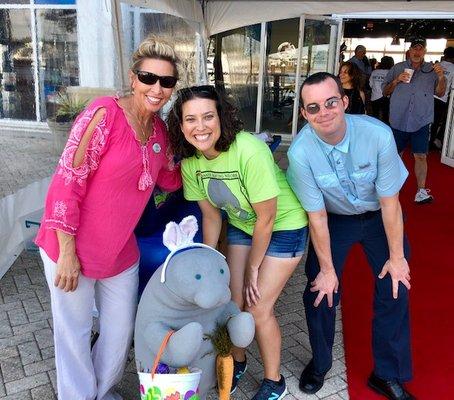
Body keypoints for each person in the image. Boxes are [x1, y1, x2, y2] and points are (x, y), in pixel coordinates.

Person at [34, 36, 181, 400]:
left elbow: (168, 178)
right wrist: (66, 251)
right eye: (149, 77)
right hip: (71, 248)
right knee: (75, 333)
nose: (157, 88)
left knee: (118, 333)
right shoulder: (104, 114)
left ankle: (100, 391)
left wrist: (205, 154)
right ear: (133, 78)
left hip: (120, 253)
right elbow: (67, 182)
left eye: (166, 81)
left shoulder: (160, 130)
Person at [167, 85, 309, 400]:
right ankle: (239, 361)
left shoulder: (248, 150)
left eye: (207, 117)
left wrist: (254, 269)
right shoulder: (191, 162)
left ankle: (275, 381)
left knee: (257, 307)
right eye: (190, 119)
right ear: (180, 125)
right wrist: (207, 262)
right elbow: (212, 217)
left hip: (284, 225)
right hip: (243, 225)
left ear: (222, 118)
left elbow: (268, 219)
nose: (199, 127)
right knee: (231, 305)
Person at [287, 72, 414, 400]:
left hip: (377, 217)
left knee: (395, 285)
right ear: (304, 114)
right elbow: (316, 217)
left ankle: (386, 374)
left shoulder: (378, 135)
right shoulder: (300, 154)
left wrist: (397, 258)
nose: (324, 112)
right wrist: (328, 271)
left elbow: (390, 203)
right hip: (334, 221)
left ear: (344, 102)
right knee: (319, 289)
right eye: (313, 107)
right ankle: (320, 363)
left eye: (331, 102)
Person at [383, 37, 446, 204]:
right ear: (409, 50)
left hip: (421, 120)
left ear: (425, 51)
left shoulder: (432, 70)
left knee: (421, 156)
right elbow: (385, 91)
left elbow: (440, 93)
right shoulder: (397, 68)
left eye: (420, 49)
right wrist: (396, 80)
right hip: (399, 119)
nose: (417, 52)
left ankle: (421, 191)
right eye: (414, 48)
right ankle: (390, 187)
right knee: (394, 155)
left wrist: (440, 77)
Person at [430, 46, 454, 149]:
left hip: (429, 96)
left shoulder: (437, 65)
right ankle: (430, 144)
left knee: (426, 119)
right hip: (442, 99)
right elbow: (453, 87)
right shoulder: (453, 68)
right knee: (436, 122)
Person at [369, 56, 394, 124]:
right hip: (386, 97)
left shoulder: (374, 72)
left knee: (375, 116)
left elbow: (370, 85)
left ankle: (375, 131)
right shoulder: (391, 73)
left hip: (374, 97)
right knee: (385, 117)